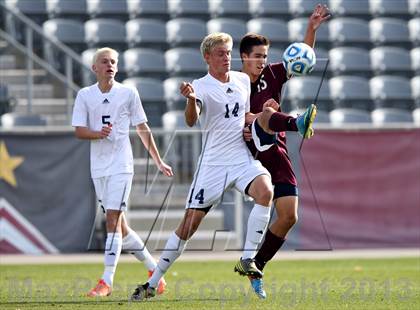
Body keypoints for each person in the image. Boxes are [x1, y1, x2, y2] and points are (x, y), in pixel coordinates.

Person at [131, 32, 274, 301]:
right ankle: (152, 282)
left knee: (266, 192)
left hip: (240, 158)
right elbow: (190, 120)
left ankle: (247, 260)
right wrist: (190, 99)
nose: (226, 58)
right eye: (220, 53)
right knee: (188, 227)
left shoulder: (243, 80)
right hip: (213, 165)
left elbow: (244, 117)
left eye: (229, 53)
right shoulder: (201, 86)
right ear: (207, 57)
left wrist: (265, 115)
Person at [238, 4, 331, 299]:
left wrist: (311, 30)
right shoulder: (234, 83)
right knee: (265, 114)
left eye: (265, 56)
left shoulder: (273, 74)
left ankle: (256, 265)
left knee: (289, 216)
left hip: (276, 147)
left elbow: (301, 56)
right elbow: (228, 116)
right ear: (244, 57)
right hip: (251, 146)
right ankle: (297, 122)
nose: (263, 61)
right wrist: (251, 118)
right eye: (258, 56)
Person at [71, 47, 173, 297]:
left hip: (121, 166)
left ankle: (106, 280)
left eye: (114, 62)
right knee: (122, 228)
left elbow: (142, 128)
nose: (110, 65)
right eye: (105, 62)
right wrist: (98, 134)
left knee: (112, 220)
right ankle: (155, 272)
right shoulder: (85, 95)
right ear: (95, 68)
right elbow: (79, 131)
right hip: (98, 167)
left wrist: (158, 161)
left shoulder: (128, 92)